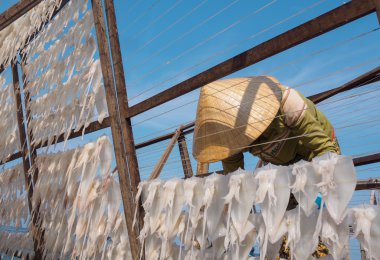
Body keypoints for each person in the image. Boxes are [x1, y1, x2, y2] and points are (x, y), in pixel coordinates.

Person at [192, 76, 341, 258]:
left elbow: (323, 149)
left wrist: (316, 195)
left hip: (315, 156)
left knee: (313, 226)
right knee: (284, 232)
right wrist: (238, 215)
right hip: (283, 168)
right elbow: (235, 176)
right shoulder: (231, 137)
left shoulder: (288, 103)